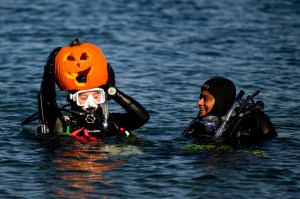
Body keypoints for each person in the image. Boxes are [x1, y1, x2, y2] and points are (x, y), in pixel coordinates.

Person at [22, 38, 150, 142]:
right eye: (83, 98)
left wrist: (113, 91)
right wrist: (49, 73)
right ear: (72, 99)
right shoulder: (63, 125)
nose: (90, 103)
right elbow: (48, 104)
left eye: (96, 96)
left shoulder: (112, 121)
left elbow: (142, 118)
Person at [183, 77, 277, 145]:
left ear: (221, 102)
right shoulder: (200, 123)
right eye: (200, 97)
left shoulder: (242, 128)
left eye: (206, 98)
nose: (199, 102)